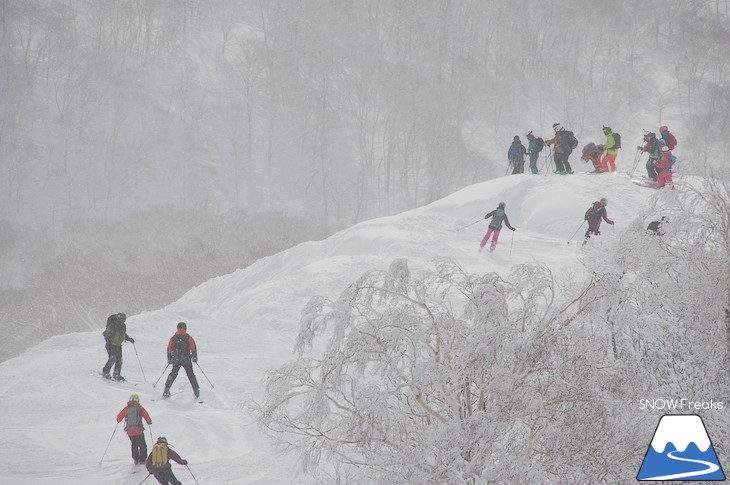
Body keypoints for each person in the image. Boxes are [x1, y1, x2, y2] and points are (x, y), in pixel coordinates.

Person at [163, 322, 200, 399]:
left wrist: (169, 359)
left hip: (176, 359)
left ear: (177, 328)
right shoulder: (188, 337)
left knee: (173, 374)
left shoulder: (173, 338)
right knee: (190, 374)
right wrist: (194, 356)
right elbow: (193, 346)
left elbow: (169, 349)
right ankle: (196, 390)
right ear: (185, 328)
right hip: (186, 359)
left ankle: (166, 389)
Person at [116, 393, 152, 465]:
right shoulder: (140, 408)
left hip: (130, 431)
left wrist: (119, 420)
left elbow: (118, 418)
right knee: (142, 445)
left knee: (134, 444)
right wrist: (149, 422)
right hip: (139, 431)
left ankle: (136, 459)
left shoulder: (126, 408)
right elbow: (147, 416)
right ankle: (142, 459)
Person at [102, 312, 134, 381]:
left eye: (124, 319)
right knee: (112, 358)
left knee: (119, 360)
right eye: (122, 319)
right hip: (111, 344)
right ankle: (105, 372)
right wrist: (109, 338)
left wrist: (129, 339)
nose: (124, 320)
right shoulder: (113, 325)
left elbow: (123, 334)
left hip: (118, 345)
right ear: (119, 319)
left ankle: (116, 374)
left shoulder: (123, 326)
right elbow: (105, 333)